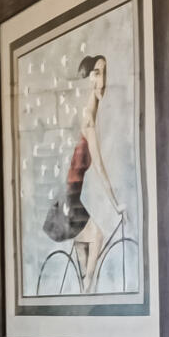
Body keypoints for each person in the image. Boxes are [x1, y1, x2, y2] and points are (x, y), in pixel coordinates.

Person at [41, 53, 122, 290]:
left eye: (105, 73)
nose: (102, 80)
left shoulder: (91, 116)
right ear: (88, 79)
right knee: (96, 240)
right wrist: (116, 204)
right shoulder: (88, 119)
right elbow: (98, 166)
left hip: (70, 199)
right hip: (70, 201)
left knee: (85, 278)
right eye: (97, 73)